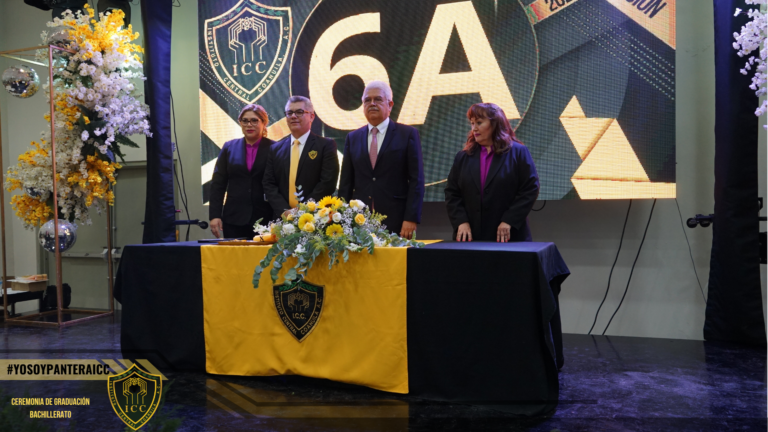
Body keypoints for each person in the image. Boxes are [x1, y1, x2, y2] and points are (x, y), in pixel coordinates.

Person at [338, 81, 424, 238]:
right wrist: (342, 219)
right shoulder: (353, 138)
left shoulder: (407, 134)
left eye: (377, 99)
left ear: (390, 105)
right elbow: (346, 184)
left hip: (397, 221)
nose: (372, 104)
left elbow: (416, 180)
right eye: (367, 100)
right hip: (359, 222)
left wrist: (411, 218)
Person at [445, 103, 539, 242]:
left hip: (509, 236)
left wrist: (509, 220)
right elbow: (452, 193)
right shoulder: (463, 156)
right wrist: (461, 221)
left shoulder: (518, 152)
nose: (474, 128)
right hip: (470, 237)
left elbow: (530, 189)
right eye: (472, 123)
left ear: (495, 124)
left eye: (479, 122)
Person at [263, 96, 339, 214]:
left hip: (315, 217)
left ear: (311, 116)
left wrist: (302, 211)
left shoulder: (325, 146)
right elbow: (269, 184)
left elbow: (327, 182)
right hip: (282, 217)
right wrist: (284, 211)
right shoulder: (275, 149)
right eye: (289, 113)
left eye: (299, 112)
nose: (293, 116)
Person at [209, 104, 275, 239]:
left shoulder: (275, 148)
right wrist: (215, 215)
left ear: (264, 123)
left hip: (266, 218)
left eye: (254, 120)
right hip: (234, 219)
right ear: (240, 123)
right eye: (245, 121)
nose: (249, 125)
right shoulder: (229, 147)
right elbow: (218, 184)